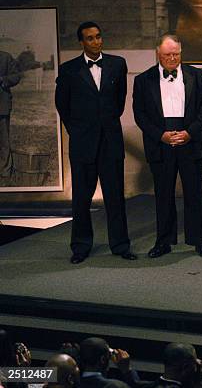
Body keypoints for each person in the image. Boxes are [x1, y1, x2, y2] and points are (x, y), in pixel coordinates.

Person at [55, 21, 134, 264]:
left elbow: (119, 102)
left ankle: (120, 245)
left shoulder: (117, 64)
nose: (96, 41)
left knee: (115, 198)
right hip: (82, 145)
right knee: (81, 198)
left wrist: (105, 124)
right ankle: (80, 247)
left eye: (98, 36)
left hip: (110, 142)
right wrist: (77, 132)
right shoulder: (68, 69)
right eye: (90, 38)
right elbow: (62, 105)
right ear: (81, 42)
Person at [133, 34, 202, 259]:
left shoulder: (197, 75)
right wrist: (161, 135)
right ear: (158, 53)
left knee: (194, 194)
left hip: (191, 139)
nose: (172, 59)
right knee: (163, 195)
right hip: (161, 143)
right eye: (167, 55)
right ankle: (164, 242)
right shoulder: (143, 80)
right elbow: (140, 115)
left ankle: (200, 241)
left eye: (176, 54)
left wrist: (189, 133)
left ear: (181, 52)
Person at [0, 50, 21, 182]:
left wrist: (3, 79)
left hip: (2, 106)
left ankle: (5, 170)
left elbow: (16, 76)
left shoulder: (6, 57)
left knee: (3, 140)